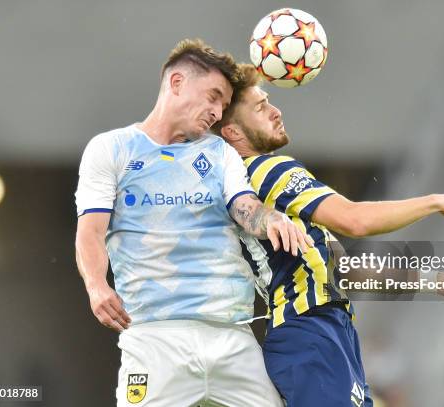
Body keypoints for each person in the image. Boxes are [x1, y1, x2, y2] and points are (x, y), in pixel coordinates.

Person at [212, 63, 444, 407]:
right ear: (232, 133)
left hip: (324, 334)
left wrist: (435, 280)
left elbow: (344, 269)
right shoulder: (267, 171)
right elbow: (354, 220)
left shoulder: (255, 188)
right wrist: (437, 201)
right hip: (309, 336)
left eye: (270, 101)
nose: (275, 111)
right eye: (260, 107)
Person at [74, 40, 312, 407]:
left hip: (232, 336)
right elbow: (90, 232)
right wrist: (95, 286)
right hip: (155, 338)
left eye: (223, 103)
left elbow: (245, 207)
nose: (217, 112)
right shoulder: (111, 149)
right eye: (213, 96)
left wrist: (271, 219)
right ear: (177, 82)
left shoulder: (219, 152)